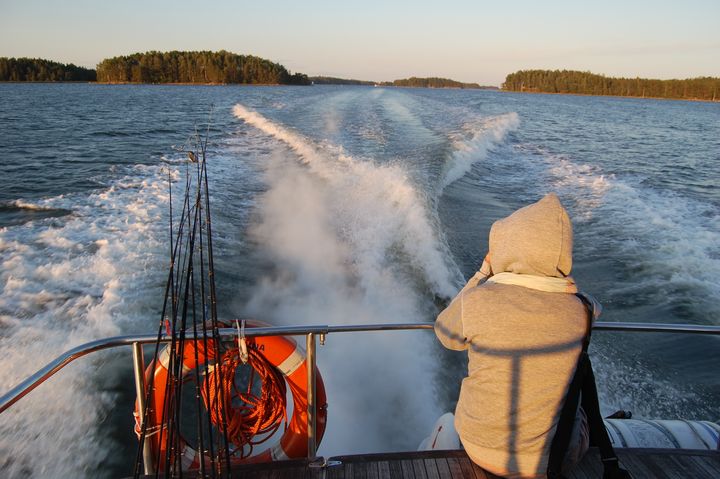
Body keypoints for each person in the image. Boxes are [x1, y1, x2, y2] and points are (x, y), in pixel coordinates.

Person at [435, 193, 589, 479]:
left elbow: (446, 333)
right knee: (577, 403)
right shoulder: (583, 309)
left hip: (479, 448)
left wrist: (483, 272)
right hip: (551, 462)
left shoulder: (479, 301)